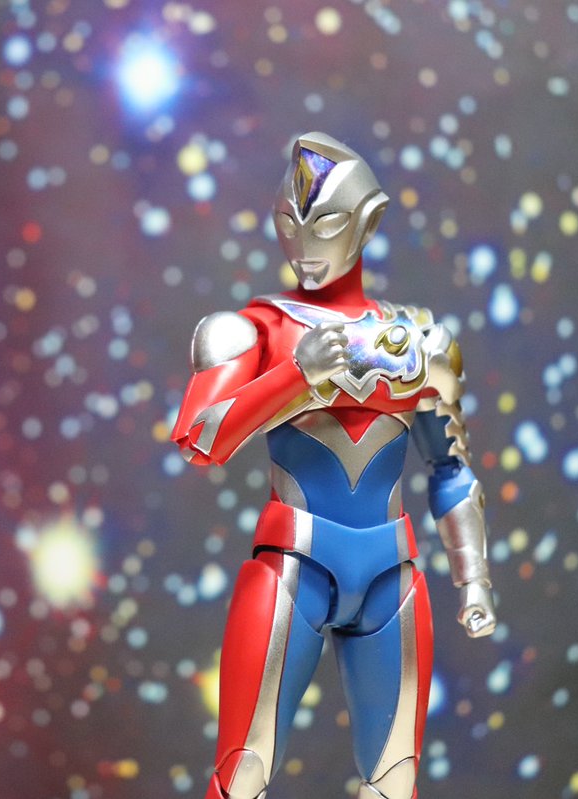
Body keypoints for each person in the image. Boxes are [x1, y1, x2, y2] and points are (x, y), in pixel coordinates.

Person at [171, 132, 498, 799]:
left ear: (366, 222)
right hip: (294, 565)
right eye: (289, 224)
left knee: (395, 783)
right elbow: (202, 438)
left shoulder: (421, 342)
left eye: (323, 223)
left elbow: (450, 467)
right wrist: (296, 374)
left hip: (390, 576)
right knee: (242, 773)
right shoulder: (254, 331)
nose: (303, 244)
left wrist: (475, 581)